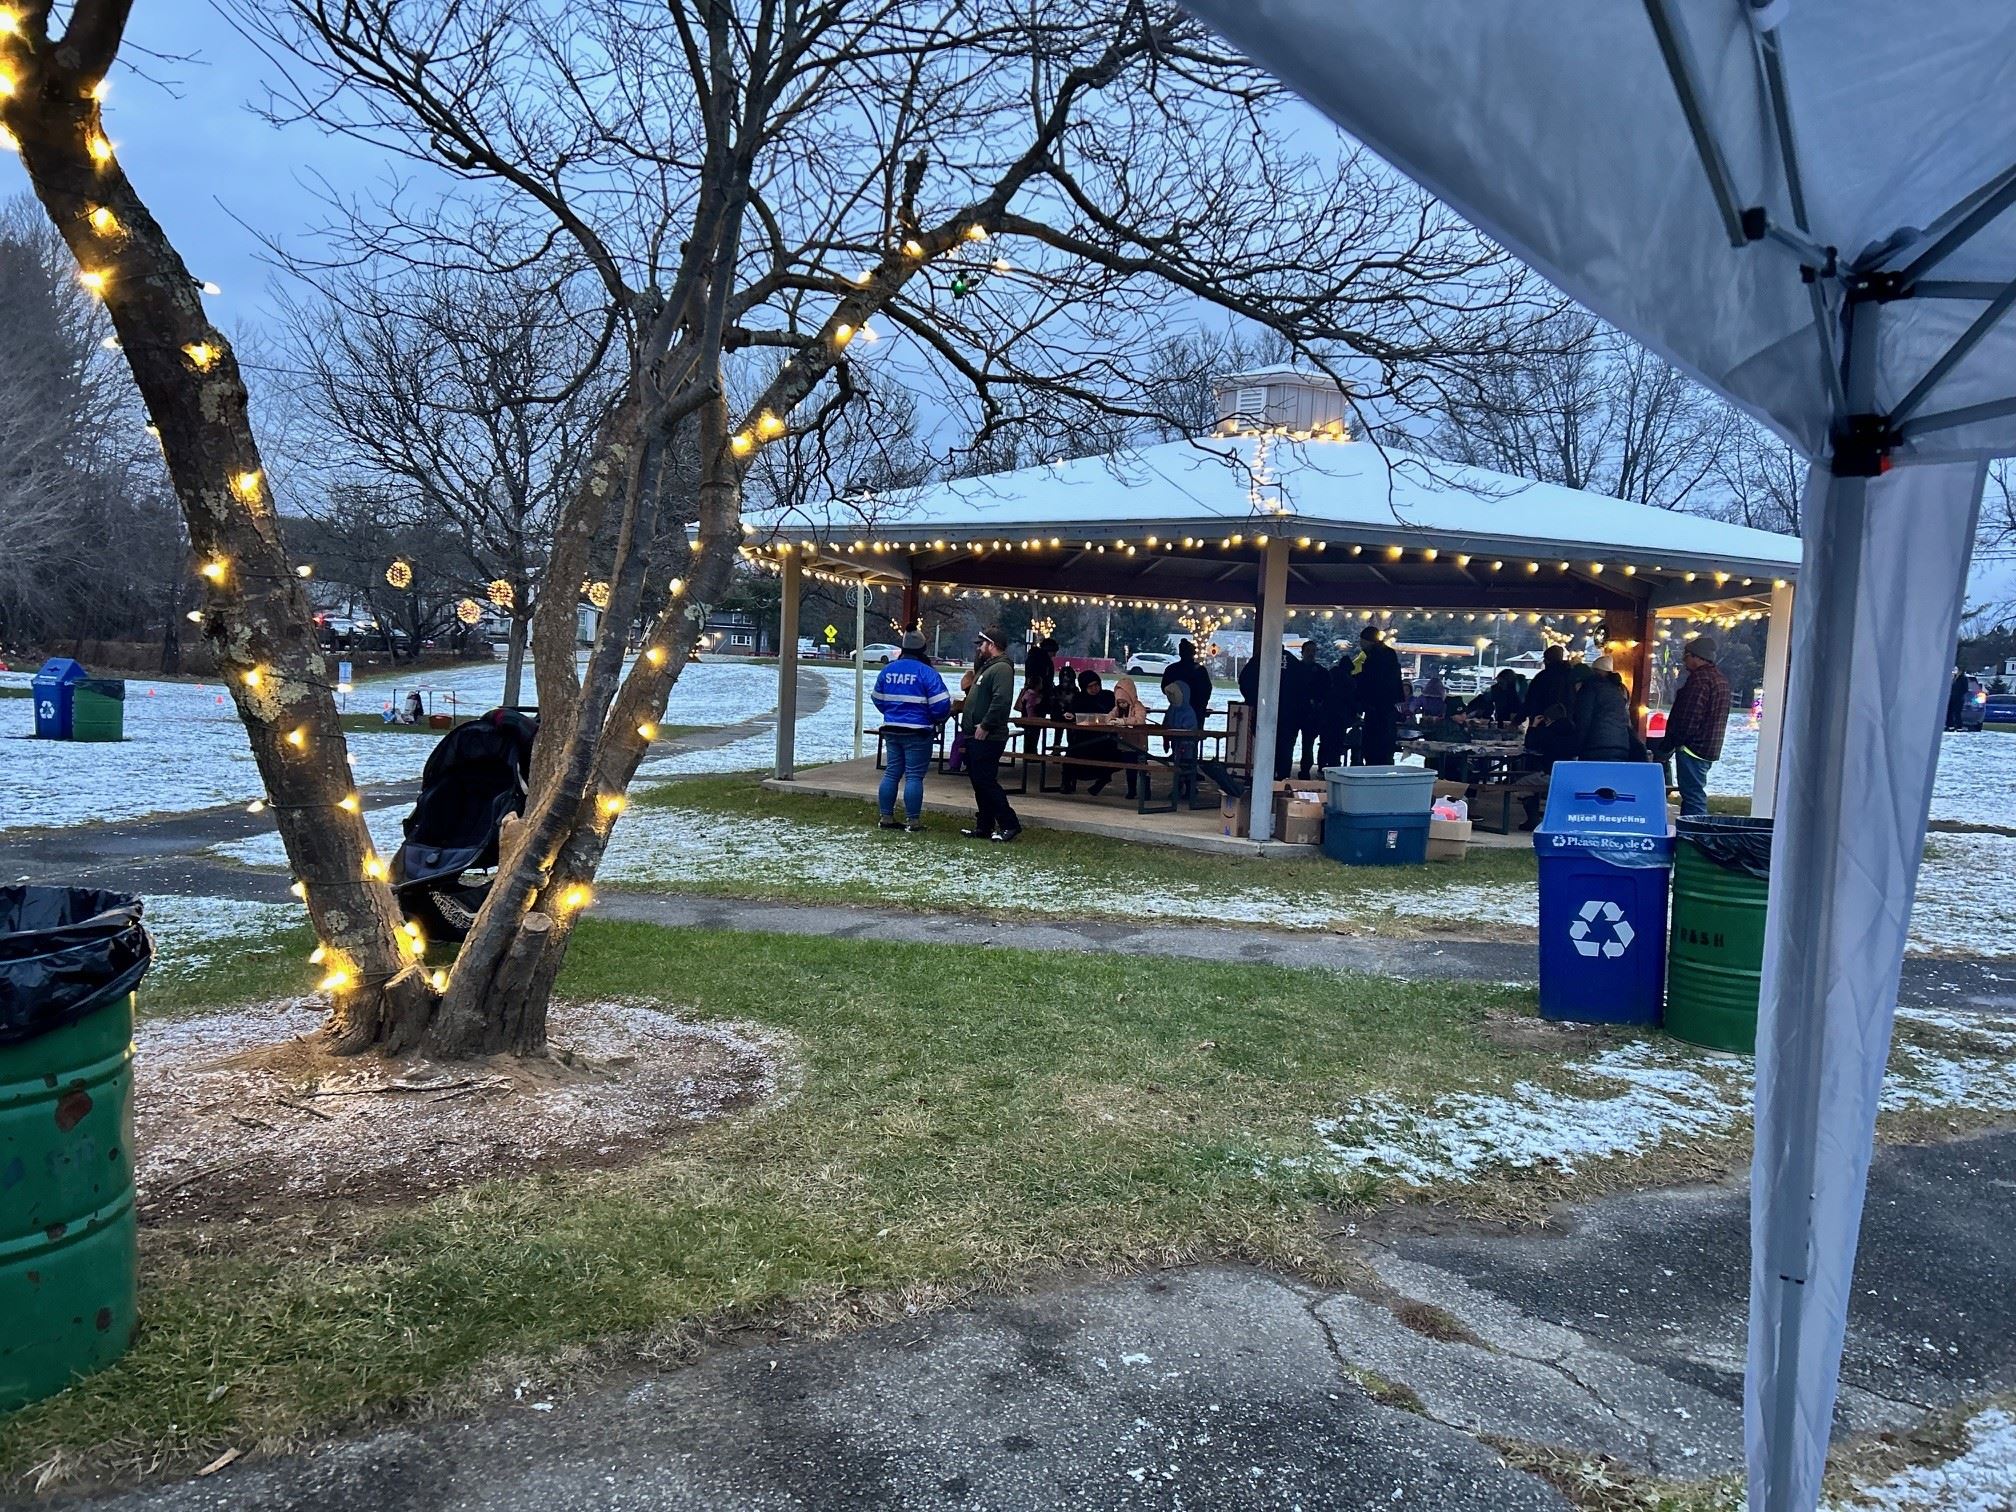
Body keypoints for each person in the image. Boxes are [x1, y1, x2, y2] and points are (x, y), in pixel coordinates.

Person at [870, 630, 952, 832]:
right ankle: (913, 821)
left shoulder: (888, 670)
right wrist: (934, 718)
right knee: (914, 776)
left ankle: (886, 817)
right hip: (918, 732)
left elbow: (877, 699)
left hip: (891, 729)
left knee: (891, 773)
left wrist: (892, 712)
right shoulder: (927, 673)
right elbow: (941, 705)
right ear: (923, 649)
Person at [1659, 634, 1733, 818]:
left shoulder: (1699, 681)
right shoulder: (1721, 680)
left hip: (1692, 747)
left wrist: (1670, 743)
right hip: (1709, 747)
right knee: (1695, 793)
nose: (1684, 660)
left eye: (1687, 656)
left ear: (1697, 657)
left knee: (1692, 797)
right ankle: (1692, 833)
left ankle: (1694, 836)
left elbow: (1688, 718)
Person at [960, 625, 1021, 841]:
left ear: (992, 645)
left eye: (982, 644)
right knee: (979, 781)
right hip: (976, 734)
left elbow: (1001, 701)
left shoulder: (1002, 669)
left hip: (988, 736)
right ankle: (984, 825)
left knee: (985, 780)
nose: (979, 648)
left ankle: (1009, 823)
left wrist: (985, 725)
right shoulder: (989, 666)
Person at [1159, 680, 1245, 805]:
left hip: (1187, 745)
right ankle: (1178, 789)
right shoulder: (1171, 710)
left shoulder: (1188, 712)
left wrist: (1181, 732)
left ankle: (1190, 789)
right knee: (1178, 767)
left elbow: (1190, 727)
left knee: (1187, 767)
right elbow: (1166, 723)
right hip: (1176, 744)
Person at [1514, 703, 1584, 829]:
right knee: (1534, 780)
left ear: (1547, 719)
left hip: (1551, 773)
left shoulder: (1549, 731)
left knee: (1521, 784)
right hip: (1570, 775)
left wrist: (1533, 725)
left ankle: (1533, 819)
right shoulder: (1575, 731)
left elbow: (1530, 744)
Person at [1350, 626, 1404, 766]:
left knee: (1373, 746)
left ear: (1368, 641)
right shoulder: (1390, 655)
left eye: (1362, 641)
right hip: (1388, 709)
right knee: (1385, 749)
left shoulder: (1373, 658)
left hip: (1375, 708)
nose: (1361, 645)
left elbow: (1369, 681)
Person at [1061, 668, 1118, 794]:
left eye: (1096, 685)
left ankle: (1102, 779)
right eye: (1090, 686)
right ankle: (1066, 782)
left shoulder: (1108, 697)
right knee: (1071, 754)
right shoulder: (1079, 699)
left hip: (1105, 739)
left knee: (1118, 756)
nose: (1094, 689)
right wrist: (1070, 716)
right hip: (1084, 738)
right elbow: (1070, 713)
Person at [1571, 653, 1635, 762]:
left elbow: (1583, 721)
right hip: (1621, 745)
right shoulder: (1617, 690)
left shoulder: (1589, 689)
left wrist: (1575, 749)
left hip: (1596, 746)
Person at [1108, 676, 1152, 799]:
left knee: (1143, 768)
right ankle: (1131, 790)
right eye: (1119, 703)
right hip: (1126, 744)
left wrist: (1124, 721)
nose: (1122, 705)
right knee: (1130, 769)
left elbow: (1140, 719)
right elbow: (1109, 716)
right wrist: (1112, 720)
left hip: (1139, 743)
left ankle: (1145, 791)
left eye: (1124, 702)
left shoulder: (1138, 707)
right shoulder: (1118, 709)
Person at [1317, 649, 1359, 772]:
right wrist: (1353, 715)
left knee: (1324, 742)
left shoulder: (1330, 675)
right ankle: (1334, 766)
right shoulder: (1350, 682)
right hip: (1341, 717)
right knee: (1336, 743)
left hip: (1326, 715)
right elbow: (1352, 701)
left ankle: (1322, 766)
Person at [1160, 638, 1215, 728]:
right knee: (1193, 737)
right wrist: (1202, 705)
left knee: (1174, 736)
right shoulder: (1200, 670)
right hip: (1197, 710)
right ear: (1193, 653)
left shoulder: (1171, 669)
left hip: (1175, 711)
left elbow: (1164, 688)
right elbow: (1207, 690)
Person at [1020, 635, 1060, 754]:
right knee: (1034, 726)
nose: (1054, 655)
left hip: (1030, 696)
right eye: (1053, 652)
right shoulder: (1043, 661)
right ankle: (1032, 752)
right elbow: (1042, 680)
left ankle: (1029, 751)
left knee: (1030, 727)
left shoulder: (1032, 658)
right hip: (1038, 697)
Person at [1294, 641, 1327, 779]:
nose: (1311, 653)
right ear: (1302, 652)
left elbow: (1326, 692)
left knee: (1308, 744)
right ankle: (1284, 768)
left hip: (1311, 713)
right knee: (1290, 742)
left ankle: (1305, 769)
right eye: (1308, 650)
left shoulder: (1321, 672)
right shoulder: (1295, 670)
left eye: (1313, 651)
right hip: (1296, 712)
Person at [1522, 644, 1576, 723]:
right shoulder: (1571, 675)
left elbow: (1531, 699)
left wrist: (1518, 720)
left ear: (1547, 660)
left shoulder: (1543, 677)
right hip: (1566, 720)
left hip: (1543, 719)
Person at [1947, 664, 1969, 731]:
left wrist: (1959, 694)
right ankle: (1950, 725)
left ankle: (1959, 726)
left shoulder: (1963, 678)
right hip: (1950, 698)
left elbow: (1965, 689)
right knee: (1949, 712)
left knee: (1957, 713)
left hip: (1958, 698)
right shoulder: (1951, 678)